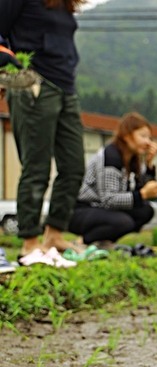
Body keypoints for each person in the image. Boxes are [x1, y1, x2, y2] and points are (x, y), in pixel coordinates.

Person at [2, 0, 87, 268]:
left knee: (74, 166)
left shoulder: (64, 4)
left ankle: (54, 235)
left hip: (65, 86)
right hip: (33, 82)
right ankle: (29, 241)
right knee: (36, 166)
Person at [69, 112, 157, 246]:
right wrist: (143, 194)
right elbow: (109, 199)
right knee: (124, 222)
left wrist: (148, 165)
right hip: (83, 209)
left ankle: (104, 240)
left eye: (150, 137)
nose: (148, 142)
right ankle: (82, 242)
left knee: (145, 211)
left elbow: (139, 193)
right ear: (126, 136)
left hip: (101, 208)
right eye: (143, 136)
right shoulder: (112, 156)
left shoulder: (132, 159)